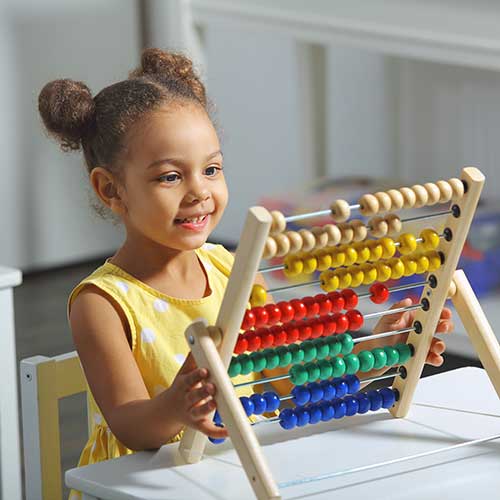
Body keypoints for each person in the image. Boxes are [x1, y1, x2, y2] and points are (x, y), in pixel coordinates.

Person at [38, 48, 453, 476]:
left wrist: (380, 349)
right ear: (110, 189)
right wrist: (174, 408)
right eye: (170, 176)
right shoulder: (101, 303)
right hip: (146, 481)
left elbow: (288, 385)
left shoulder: (229, 270)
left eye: (212, 169)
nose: (199, 191)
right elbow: (129, 427)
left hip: (239, 470)